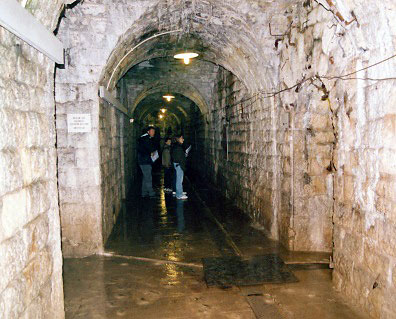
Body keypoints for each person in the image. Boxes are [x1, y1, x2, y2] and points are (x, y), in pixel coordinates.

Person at [137, 126, 156, 197]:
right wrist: (151, 152)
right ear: (148, 132)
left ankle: (144, 192)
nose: (153, 133)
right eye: (152, 131)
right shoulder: (146, 139)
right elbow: (149, 148)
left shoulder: (145, 138)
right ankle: (151, 192)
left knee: (145, 177)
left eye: (154, 131)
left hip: (144, 160)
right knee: (148, 177)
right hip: (145, 161)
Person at [171, 134, 188, 200]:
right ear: (178, 139)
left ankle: (180, 191)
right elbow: (179, 158)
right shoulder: (178, 147)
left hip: (177, 164)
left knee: (179, 179)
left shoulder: (176, 146)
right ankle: (179, 195)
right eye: (182, 138)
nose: (183, 139)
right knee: (179, 180)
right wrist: (183, 162)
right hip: (179, 165)